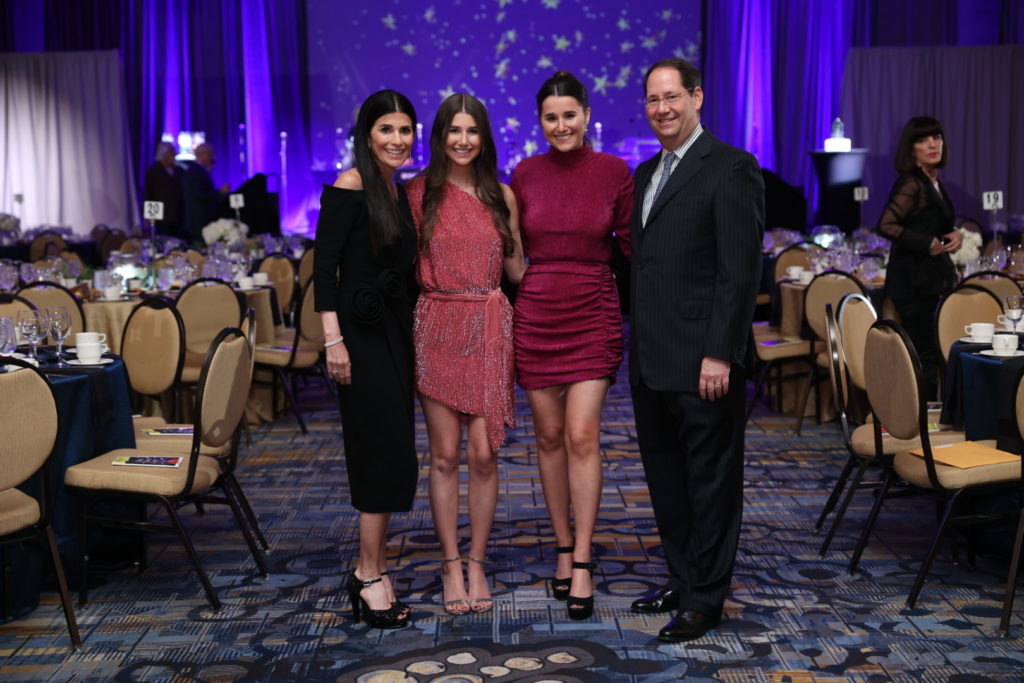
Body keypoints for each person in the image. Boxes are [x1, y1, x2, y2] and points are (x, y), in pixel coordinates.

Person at [628, 58, 764, 642]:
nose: (662, 109)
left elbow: (738, 272)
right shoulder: (645, 174)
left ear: (697, 97)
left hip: (703, 359)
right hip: (653, 357)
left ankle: (706, 597)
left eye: (672, 97)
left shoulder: (731, 167)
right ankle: (683, 578)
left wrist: (719, 353)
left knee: (710, 481)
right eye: (653, 100)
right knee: (667, 479)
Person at [511, 71, 633, 620]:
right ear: (541, 121)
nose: (561, 125)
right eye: (550, 117)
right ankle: (562, 547)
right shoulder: (524, 173)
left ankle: (583, 557)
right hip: (537, 313)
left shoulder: (614, 171)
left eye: (569, 115)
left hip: (593, 310)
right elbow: (513, 253)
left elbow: (634, 246)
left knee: (583, 435)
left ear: (586, 114)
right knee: (550, 436)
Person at [406, 93, 526, 616]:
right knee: (446, 455)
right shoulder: (417, 194)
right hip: (437, 324)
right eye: (453, 130)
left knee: (483, 454)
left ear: (484, 137)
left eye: (472, 130)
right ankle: (450, 563)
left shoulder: (502, 195)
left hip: (490, 326)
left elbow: (519, 269)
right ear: (439, 137)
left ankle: (477, 562)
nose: (462, 140)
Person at [313, 90, 420, 630]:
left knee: (395, 448)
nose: (397, 140)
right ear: (367, 133)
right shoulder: (351, 183)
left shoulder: (394, 189)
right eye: (387, 130)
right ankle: (368, 572)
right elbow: (324, 269)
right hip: (357, 338)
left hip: (394, 335)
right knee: (378, 451)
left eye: (405, 130)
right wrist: (333, 341)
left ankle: (373, 568)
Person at [876, 116, 961, 397]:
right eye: (923, 140)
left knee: (933, 353)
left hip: (929, 281)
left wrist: (954, 236)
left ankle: (931, 419)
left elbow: (933, 224)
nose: (933, 144)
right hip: (912, 282)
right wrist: (927, 243)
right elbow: (886, 225)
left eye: (936, 137)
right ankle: (923, 424)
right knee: (925, 355)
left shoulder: (933, 181)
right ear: (912, 149)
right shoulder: (911, 182)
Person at [181, 142, 229, 243]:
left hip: (201, 221)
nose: (213, 157)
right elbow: (199, 195)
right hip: (199, 222)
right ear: (202, 154)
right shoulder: (195, 171)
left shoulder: (199, 170)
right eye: (210, 154)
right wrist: (219, 192)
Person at [143, 141, 184, 239]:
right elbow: (148, 193)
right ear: (163, 154)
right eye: (171, 152)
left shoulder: (179, 171)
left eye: (174, 152)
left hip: (177, 215)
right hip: (160, 215)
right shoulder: (153, 171)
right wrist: (148, 217)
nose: (174, 155)